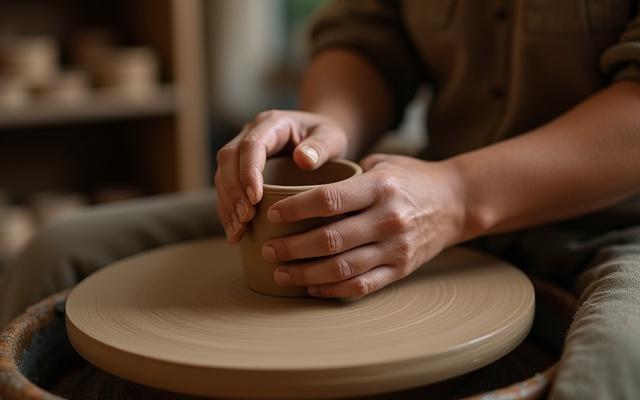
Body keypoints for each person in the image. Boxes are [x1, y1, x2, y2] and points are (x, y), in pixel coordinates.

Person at [2, 1, 639, 399]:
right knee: (60, 253)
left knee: (612, 372)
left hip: (614, 218)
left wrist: (460, 195)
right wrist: (326, 127)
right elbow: (368, 34)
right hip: (429, 188)